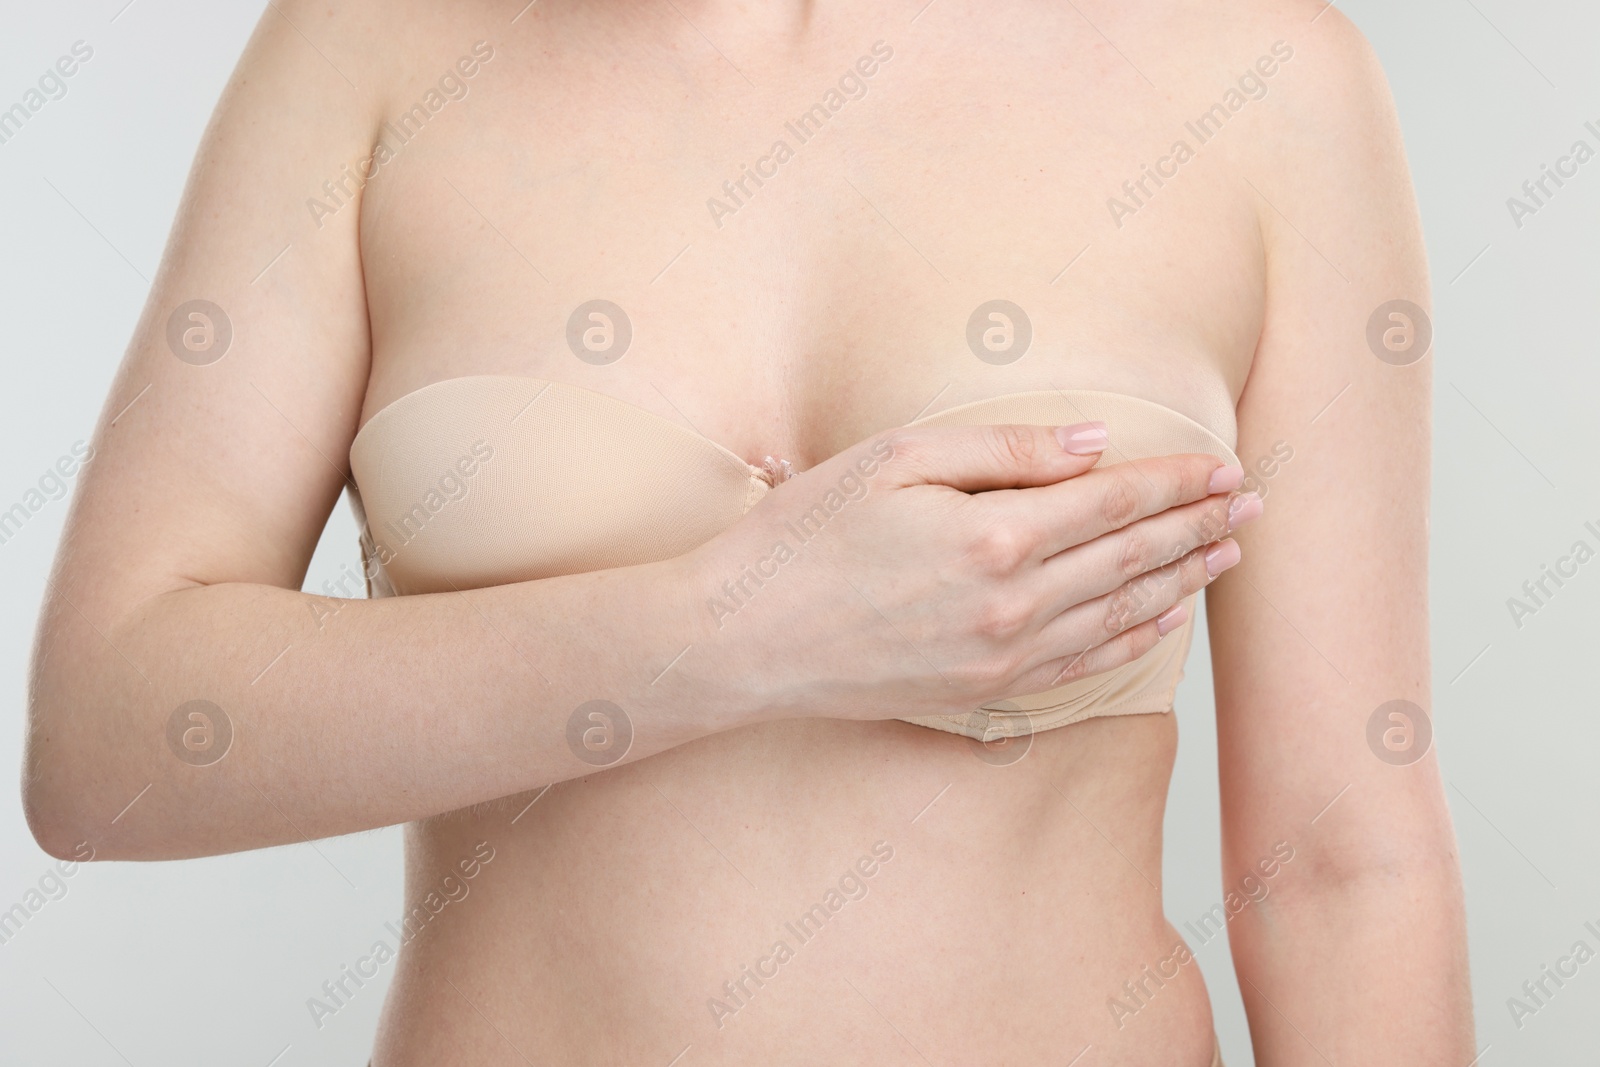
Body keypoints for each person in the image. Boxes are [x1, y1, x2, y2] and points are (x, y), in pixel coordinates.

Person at [23, 1, 1471, 1063]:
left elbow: (1345, 866)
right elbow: (104, 749)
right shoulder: (371, 48)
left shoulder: (1264, 78)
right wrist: (743, 631)